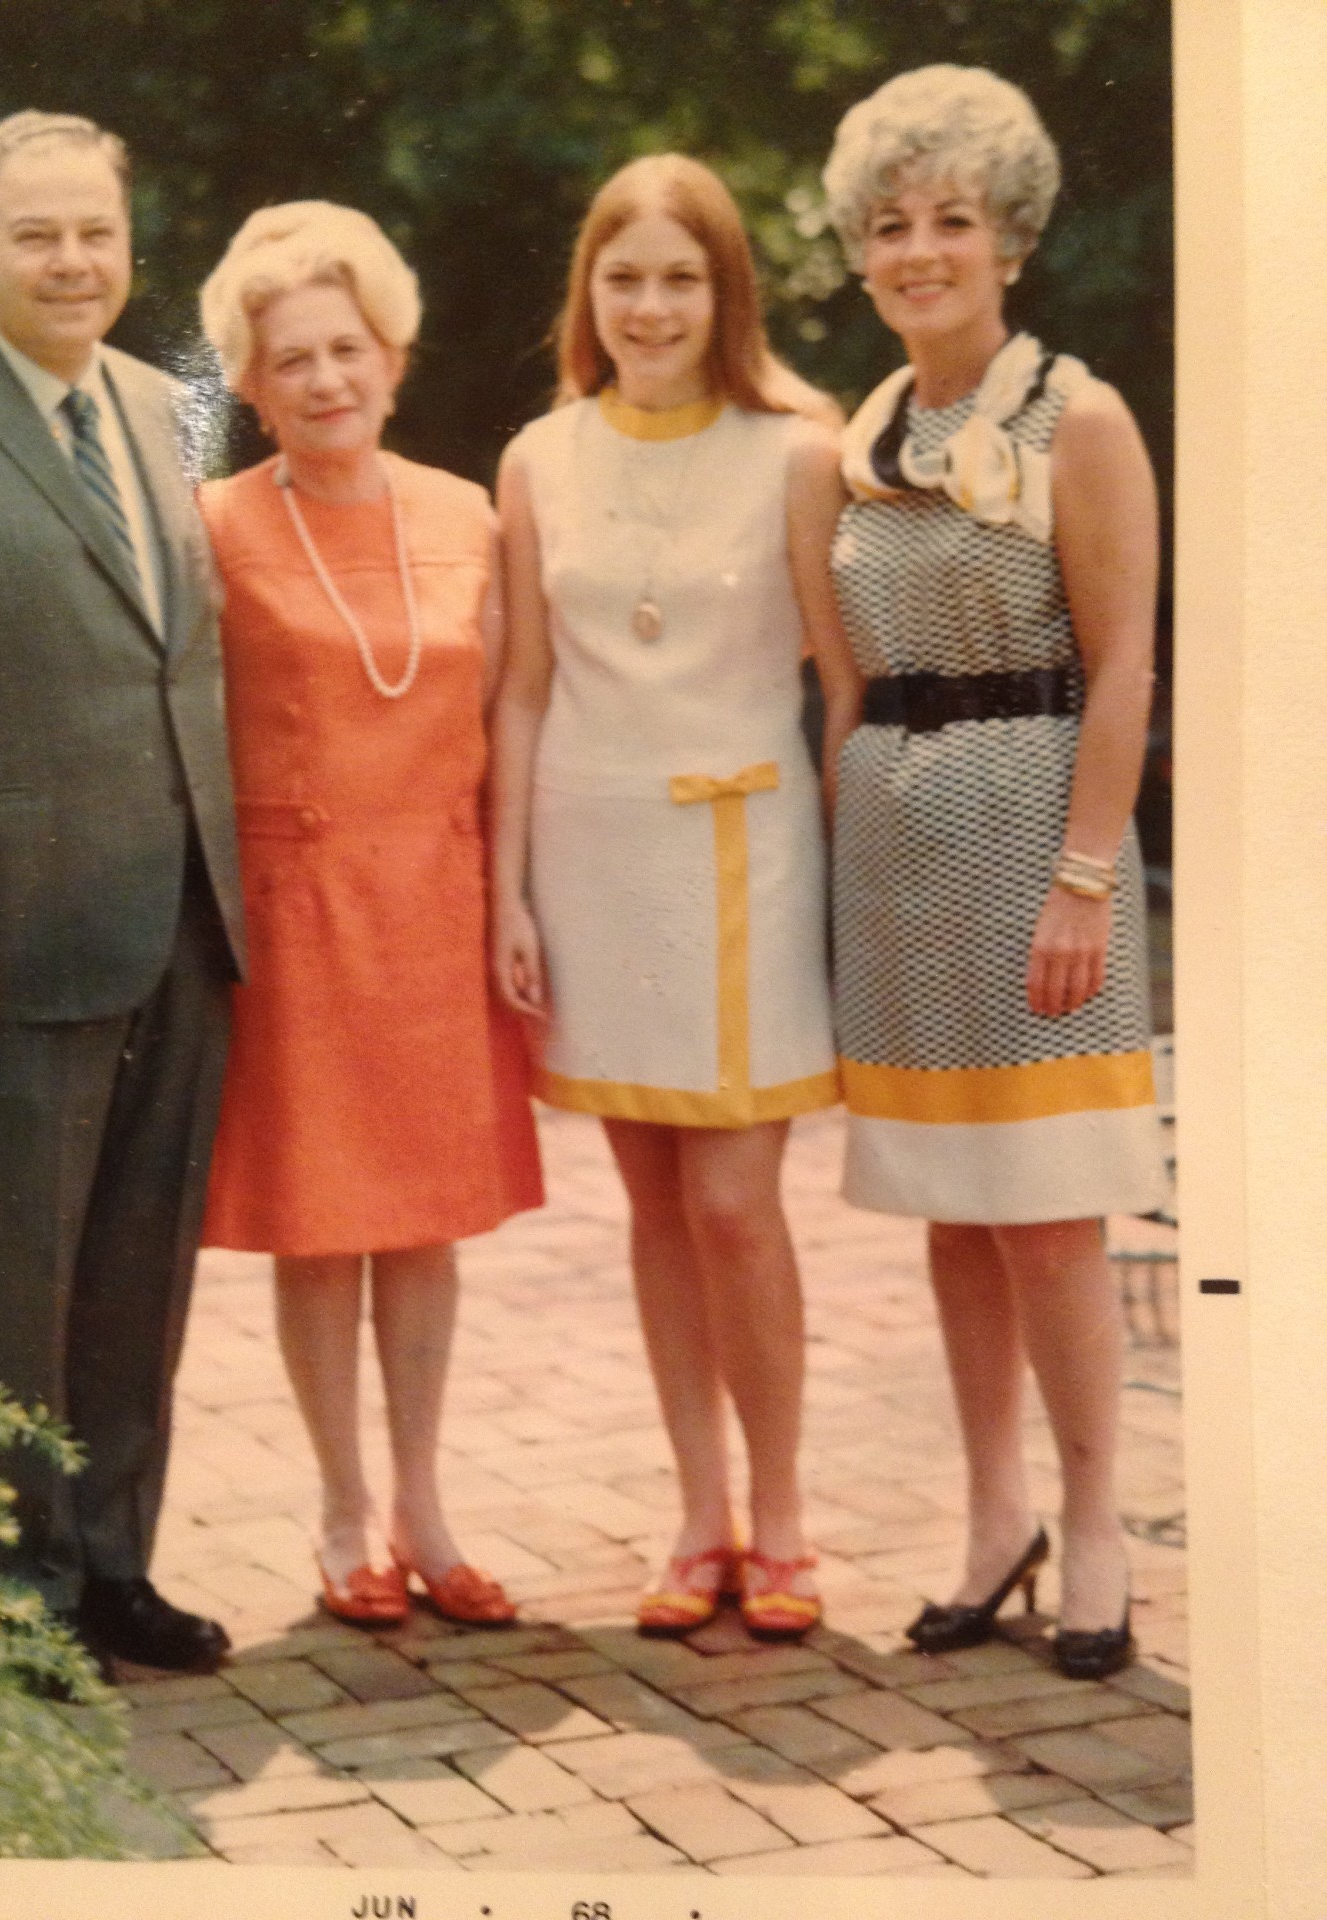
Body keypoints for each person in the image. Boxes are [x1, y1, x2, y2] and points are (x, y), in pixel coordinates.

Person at [821, 66, 1167, 1680]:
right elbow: (846, 672)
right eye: (889, 225)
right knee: (950, 1219)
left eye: (951, 220)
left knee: (1046, 1218)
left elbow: (1128, 666)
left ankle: (1098, 1523)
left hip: (1039, 838)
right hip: (897, 855)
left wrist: (1085, 879)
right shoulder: (866, 431)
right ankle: (991, 1516)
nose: (918, 251)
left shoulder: (1074, 415)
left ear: (1010, 238)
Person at [491, 155, 856, 1640]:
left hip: (751, 854)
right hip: (593, 849)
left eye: (680, 278)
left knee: (735, 1201)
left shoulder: (800, 449)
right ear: (589, 292)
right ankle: (698, 1512)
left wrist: (848, 876)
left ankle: (782, 1516)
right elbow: (520, 690)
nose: (650, 306)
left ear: (728, 295)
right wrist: (507, 890)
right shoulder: (539, 457)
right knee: (652, 1200)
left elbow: (843, 683)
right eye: (623, 276)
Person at [0, 111, 247, 1675]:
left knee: (134, 1272)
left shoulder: (174, 410)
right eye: (37, 235)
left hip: (180, 919)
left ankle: (115, 1567)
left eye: (96, 232)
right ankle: (25, 1604)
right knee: (11, 1283)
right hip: (9, 939)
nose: (72, 262)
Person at [197, 203, 543, 1629]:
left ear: (392, 358)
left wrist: (510, 892)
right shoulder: (210, 524)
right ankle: (342, 1510)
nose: (325, 380)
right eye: (292, 362)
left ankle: (427, 1504)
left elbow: (511, 710)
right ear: (252, 385)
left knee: (422, 1222)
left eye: (347, 350)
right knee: (321, 1223)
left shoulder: (470, 511)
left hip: (437, 902)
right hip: (295, 909)